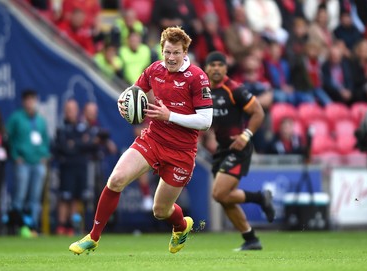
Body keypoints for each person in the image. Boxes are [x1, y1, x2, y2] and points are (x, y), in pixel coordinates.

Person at [69, 26, 213, 255]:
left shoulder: (197, 78)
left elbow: (206, 121)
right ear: (161, 50)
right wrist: (123, 100)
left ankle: (181, 225)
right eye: (167, 52)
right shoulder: (154, 69)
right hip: (153, 139)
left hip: (181, 151)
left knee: (160, 210)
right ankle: (93, 237)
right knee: (116, 179)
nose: (171, 57)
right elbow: (135, 91)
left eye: (176, 52)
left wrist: (169, 116)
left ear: (185, 52)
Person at [204, 51, 275, 251]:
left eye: (220, 65)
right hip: (221, 149)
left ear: (226, 68)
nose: (216, 68)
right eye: (212, 65)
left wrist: (246, 135)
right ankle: (251, 239)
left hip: (239, 148)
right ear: (206, 68)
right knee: (225, 199)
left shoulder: (234, 89)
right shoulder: (204, 91)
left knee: (219, 193)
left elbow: (258, 112)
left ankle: (260, 198)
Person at [6, 90, 50, 237]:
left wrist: (44, 155)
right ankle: (17, 226)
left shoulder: (40, 120)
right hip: (23, 162)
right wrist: (15, 155)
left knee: (35, 198)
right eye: (27, 100)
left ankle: (33, 227)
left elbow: (45, 139)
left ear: (36, 100)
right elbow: (7, 138)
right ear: (23, 102)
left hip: (38, 163)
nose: (30, 102)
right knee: (20, 195)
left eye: (32, 99)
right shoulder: (16, 118)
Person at [53, 99, 96, 236]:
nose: (71, 112)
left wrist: (75, 144)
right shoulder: (61, 128)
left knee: (77, 198)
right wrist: (78, 145)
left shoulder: (82, 127)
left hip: (81, 167)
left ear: (77, 111)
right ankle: (61, 225)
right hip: (67, 167)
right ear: (65, 111)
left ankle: (73, 225)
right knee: (65, 197)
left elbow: (88, 145)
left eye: (73, 109)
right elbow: (63, 147)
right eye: (68, 109)